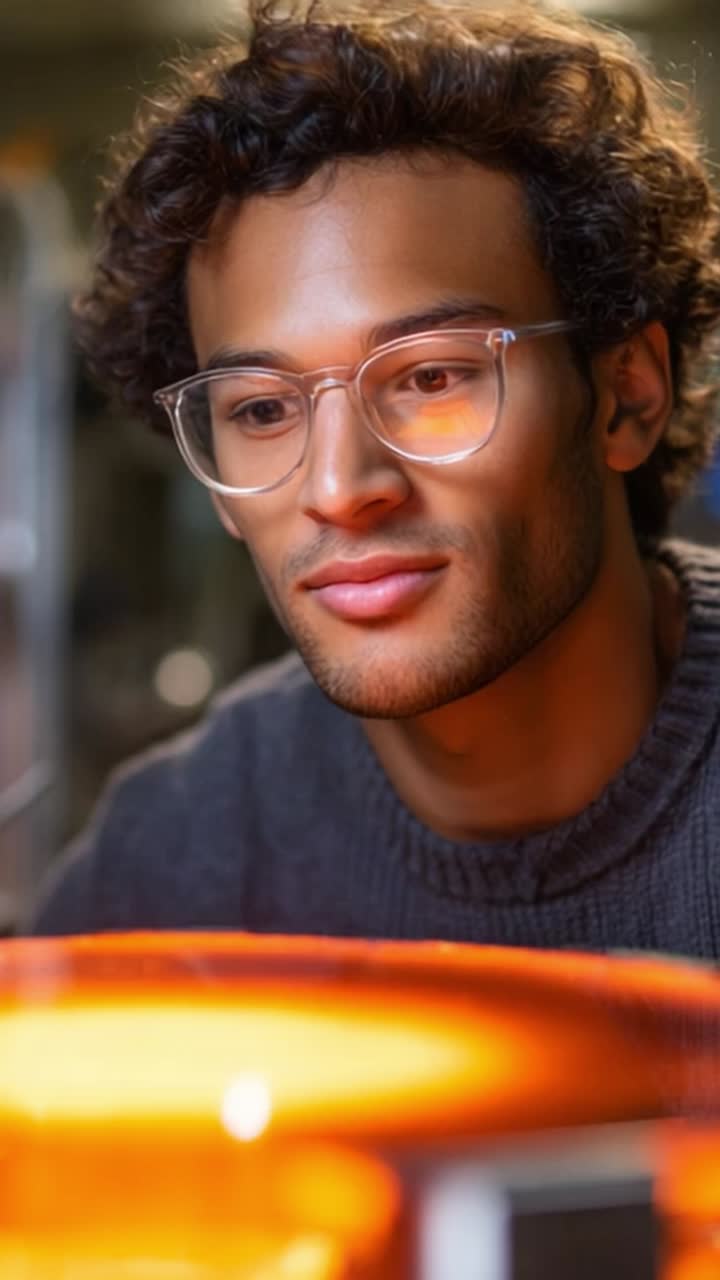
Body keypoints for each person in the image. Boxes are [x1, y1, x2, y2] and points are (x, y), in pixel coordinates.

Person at [29, 0, 720, 955]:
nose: (340, 486)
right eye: (262, 410)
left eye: (432, 376)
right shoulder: (178, 857)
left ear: (625, 397)